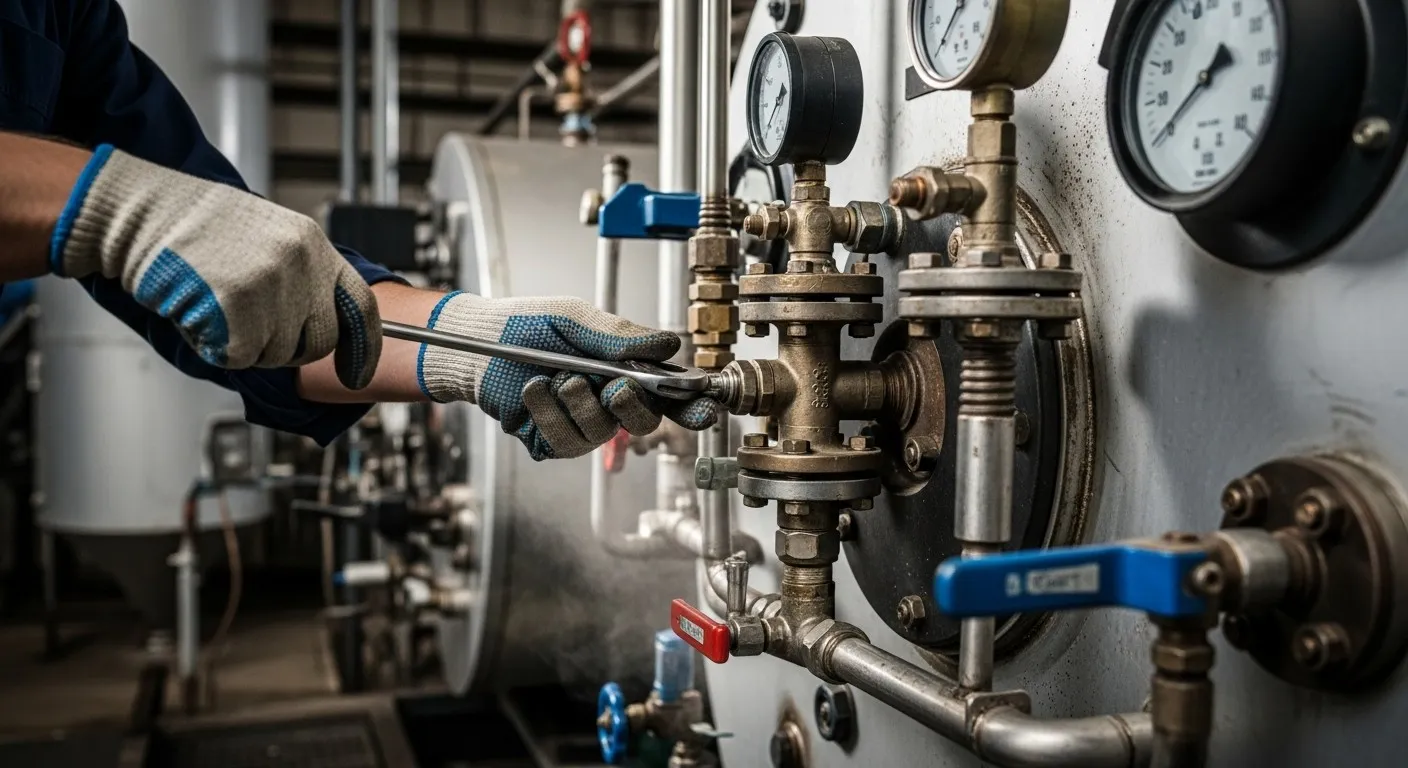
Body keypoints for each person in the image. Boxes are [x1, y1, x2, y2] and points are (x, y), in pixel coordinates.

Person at [0, 0, 716, 460]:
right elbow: (143, 205)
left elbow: (277, 315)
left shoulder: (66, 17)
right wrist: (112, 203)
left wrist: (476, 343)